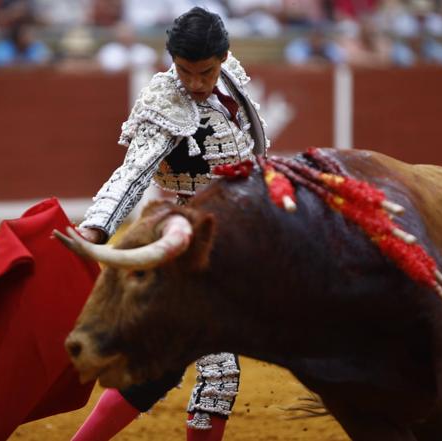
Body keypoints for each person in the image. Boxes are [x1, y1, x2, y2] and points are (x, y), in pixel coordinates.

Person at [73, 6, 269, 441]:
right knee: (219, 374)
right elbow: (132, 173)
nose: (196, 84)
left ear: (223, 58)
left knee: (159, 367)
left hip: (230, 239)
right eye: (186, 72)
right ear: (171, 61)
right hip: (181, 242)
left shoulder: (231, 75)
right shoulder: (163, 101)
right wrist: (95, 227)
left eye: (206, 72)